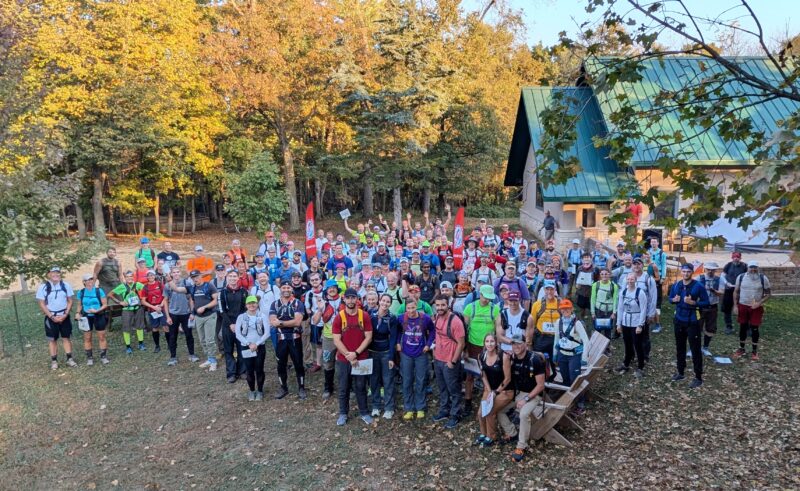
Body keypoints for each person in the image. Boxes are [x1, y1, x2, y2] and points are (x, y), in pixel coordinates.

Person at [497, 334, 547, 463]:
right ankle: (512, 433)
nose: (516, 346)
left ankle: (521, 446)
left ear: (525, 344)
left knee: (523, 414)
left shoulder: (534, 359)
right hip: (518, 393)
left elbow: (541, 385)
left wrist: (526, 399)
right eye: (514, 343)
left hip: (534, 394)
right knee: (499, 410)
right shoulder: (512, 358)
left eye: (519, 343)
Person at [332, 288, 374, 425]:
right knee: (343, 387)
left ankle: (364, 412)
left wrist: (355, 353)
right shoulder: (339, 317)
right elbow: (336, 340)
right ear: (344, 299)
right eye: (348, 298)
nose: (350, 300)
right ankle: (343, 413)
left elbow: (368, 337)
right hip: (343, 359)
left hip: (361, 358)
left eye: (353, 297)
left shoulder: (364, 316)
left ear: (357, 299)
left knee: (361, 386)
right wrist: (348, 355)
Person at [462, 285, 501, 416]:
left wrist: (497, 346)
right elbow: (465, 329)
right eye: (485, 297)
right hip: (473, 346)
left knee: (488, 376)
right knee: (470, 376)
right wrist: (465, 349)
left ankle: (487, 403)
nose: (487, 300)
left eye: (490, 298)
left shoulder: (495, 309)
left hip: (489, 348)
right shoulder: (470, 308)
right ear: (480, 294)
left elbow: (498, 329)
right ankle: (468, 402)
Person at [669, 264, 709, 388]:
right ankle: (680, 372)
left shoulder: (698, 286)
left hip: (692, 321)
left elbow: (706, 302)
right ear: (681, 272)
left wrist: (694, 302)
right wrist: (673, 300)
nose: (686, 274)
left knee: (695, 349)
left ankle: (698, 377)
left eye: (688, 271)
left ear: (692, 272)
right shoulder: (676, 285)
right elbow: (670, 298)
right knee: (680, 347)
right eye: (684, 271)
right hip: (678, 320)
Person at [171, 270, 219, 371]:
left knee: (209, 340)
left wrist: (204, 307)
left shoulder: (209, 286)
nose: (195, 279)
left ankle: (213, 361)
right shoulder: (191, 288)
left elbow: (215, 301)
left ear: (201, 276)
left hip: (210, 315)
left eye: (197, 276)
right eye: (193, 277)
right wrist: (169, 280)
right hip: (198, 317)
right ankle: (209, 358)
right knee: (202, 340)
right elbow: (176, 289)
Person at [397, 298, 435, 421]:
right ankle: (408, 408)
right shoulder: (401, 318)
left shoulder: (425, 318)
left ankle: (420, 407)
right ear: (405, 308)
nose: (411, 311)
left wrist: (428, 344)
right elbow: (397, 331)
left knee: (421, 380)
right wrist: (398, 342)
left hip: (421, 353)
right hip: (406, 353)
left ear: (417, 306)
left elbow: (433, 331)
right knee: (407, 380)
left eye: (413, 308)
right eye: (408, 308)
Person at [431, 295, 465, 429]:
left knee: (454, 389)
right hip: (438, 358)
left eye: (442, 305)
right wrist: (435, 354)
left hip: (450, 361)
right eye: (438, 305)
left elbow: (461, 344)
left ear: (448, 305)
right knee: (442, 387)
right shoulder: (437, 317)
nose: (440, 308)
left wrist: (453, 361)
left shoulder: (455, 321)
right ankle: (444, 410)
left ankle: (455, 414)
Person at [270, 283, 307, 399]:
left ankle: (301, 387)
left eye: (288, 287)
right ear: (280, 289)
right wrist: (288, 323)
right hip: (281, 339)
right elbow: (273, 322)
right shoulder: (275, 304)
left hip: (295, 338)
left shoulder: (298, 303)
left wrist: (281, 323)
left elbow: (297, 322)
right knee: (281, 364)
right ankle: (283, 387)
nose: (286, 289)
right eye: (283, 287)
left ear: (292, 289)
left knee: (298, 363)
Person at [475, 333, 512, 448]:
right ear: (484, 343)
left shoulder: (503, 356)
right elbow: (483, 375)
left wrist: (495, 392)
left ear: (496, 343)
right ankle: (483, 433)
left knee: (489, 411)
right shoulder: (481, 356)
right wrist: (489, 390)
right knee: (480, 413)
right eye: (487, 341)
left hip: (505, 390)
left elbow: (508, 379)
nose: (489, 344)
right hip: (490, 389)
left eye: (492, 341)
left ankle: (491, 436)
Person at [553, 299, 589, 412]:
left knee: (575, 379)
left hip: (574, 355)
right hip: (562, 354)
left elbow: (586, 341)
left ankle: (580, 401)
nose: (565, 310)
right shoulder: (558, 322)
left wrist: (584, 358)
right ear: (560, 310)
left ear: (572, 309)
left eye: (567, 308)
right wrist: (554, 354)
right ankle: (568, 400)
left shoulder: (577, 323)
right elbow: (556, 339)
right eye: (563, 308)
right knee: (565, 378)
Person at [37, 267, 76, 370]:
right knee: (52, 340)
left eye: (57, 272)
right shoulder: (43, 287)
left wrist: (66, 314)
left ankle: (69, 359)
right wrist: (51, 316)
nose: (55, 275)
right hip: (51, 317)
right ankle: (54, 361)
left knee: (66, 338)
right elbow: (41, 303)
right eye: (53, 272)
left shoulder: (66, 285)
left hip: (64, 316)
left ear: (60, 274)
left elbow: (70, 300)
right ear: (48, 274)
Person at [369, 293, 400, 419]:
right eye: (383, 301)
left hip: (386, 352)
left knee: (388, 380)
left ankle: (389, 408)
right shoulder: (371, 315)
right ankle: (376, 406)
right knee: (374, 380)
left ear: (390, 304)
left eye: (388, 302)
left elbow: (393, 338)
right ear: (379, 301)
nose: (385, 303)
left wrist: (392, 357)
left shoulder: (392, 318)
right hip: (372, 351)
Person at [733, 261, 771, 361]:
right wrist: (735, 306)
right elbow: (736, 291)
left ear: (757, 268)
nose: (753, 269)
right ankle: (741, 348)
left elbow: (768, 294)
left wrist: (759, 303)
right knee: (743, 327)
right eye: (751, 267)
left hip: (756, 307)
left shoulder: (763, 278)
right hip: (743, 305)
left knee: (754, 328)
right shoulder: (741, 277)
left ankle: (754, 351)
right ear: (747, 268)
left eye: (755, 267)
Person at [236, 296, 270, 401]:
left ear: (257, 304)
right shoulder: (241, 317)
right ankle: (251, 390)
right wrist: (248, 343)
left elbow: (267, 333)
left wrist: (257, 344)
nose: (252, 305)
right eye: (249, 303)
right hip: (246, 347)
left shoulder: (262, 316)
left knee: (259, 369)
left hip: (259, 346)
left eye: (254, 303)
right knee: (249, 370)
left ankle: (260, 390)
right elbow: (238, 334)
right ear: (246, 305)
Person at [615, 274, 649, 378]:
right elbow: (620, 308)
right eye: (628, 279)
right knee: (627, 344)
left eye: (632, 279)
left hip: (636, 322)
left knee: (637, 345)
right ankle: (626, 363)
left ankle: (640, 367)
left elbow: (643, 310)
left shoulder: (640, 292)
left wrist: (640, 325)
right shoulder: (623, 292)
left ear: (635, 280)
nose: (630, 281)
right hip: (626, 322)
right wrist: (618, 323)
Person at [314, 279, 343, 399]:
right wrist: (320, 309)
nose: (332, 290)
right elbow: (315, 321)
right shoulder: (323, 303)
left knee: (345, 362)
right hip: (328, 337)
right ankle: (328, 387)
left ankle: (348, 386)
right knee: (328, 362)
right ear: (326, 291)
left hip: (343, 337)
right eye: (330, 288)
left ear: (337, 289)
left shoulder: (344, 301)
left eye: (334, 288)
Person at [219, 270, 248, 383]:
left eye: (234, 276)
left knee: (242, 348)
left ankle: (242, 371)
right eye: (230, 276)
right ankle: (231, 373)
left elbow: (245, 309)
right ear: (227, 278)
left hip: (240, 325)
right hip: (227, 325)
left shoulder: (244, 292)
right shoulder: (222, 293)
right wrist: (230, 324)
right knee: (228, 349)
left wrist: (238, 324)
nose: (232, 278)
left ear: (238, 278)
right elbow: (222, 310)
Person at [74, 274, 109, 366]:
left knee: (102, 337)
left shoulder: (99, 291)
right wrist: (77, 313)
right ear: (84, 282)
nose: (90, 281)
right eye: (87, 280)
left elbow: (105, 304)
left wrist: (97, 310)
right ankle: (90, 358)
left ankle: (103, 357)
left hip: (99, 315)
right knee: (87, 338)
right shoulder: (81, 292)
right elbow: (79, 305)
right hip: (86, 317)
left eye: (91, 279)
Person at [164, 269, 198, 366]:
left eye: (178, 272)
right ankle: (173, 357)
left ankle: (192, 354)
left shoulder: (186, 283)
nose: (176, 274)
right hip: (173, 314)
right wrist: (167, 316)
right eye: (174, 272)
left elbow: (190, 299)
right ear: (171, 274)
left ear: (180, 273)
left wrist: (192, 312)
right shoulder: (167, 285)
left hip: (186, 313)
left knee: (189, 335)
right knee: (172, 336)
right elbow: (165, 301)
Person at [109, 271, 146, 354]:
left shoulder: (137, 284)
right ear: (125, 278)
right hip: (127, 310)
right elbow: (110, 294)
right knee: (126, 328)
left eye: (131, 276)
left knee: (139, 327)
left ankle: (141, 343)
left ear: (133, 277)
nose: (129, 278)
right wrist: (120, 302)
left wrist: (142, 299)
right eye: (127, 276)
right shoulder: (122, 286)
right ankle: (128, 347)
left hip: (137, 308)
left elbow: (146, 290)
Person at [529, 280, 559, 379]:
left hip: (556, 338)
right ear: (544, 290)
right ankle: (538, 380)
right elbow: (532, 324)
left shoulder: (560, 304)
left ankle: (553, 379)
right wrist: (529, 341)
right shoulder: (537, 305)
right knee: (538, 360)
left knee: (555, 361)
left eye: (551, 289)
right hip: (541, 338)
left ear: (555, 290)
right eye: (547, 289)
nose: (549, 292)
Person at [697, 262, 724, 357]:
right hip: (700, 307)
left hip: (712, 307)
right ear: (705, 269)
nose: (710, 271)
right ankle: (694, 348)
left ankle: (705, 348)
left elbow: (721, 293)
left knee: (710, 328)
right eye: (708, 269)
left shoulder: (719, 279)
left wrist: (714, 291)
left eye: (712, 270)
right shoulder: (699, 278)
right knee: (696, 327)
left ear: (715, 270)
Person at [139, 270, 168, 353]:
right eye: (149, 275)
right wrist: (154, 307)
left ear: (155, 276)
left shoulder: (160, 284)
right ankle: (157, 346)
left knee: (166, 327)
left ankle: (170, 345)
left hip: (162, 308)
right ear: (147, 277)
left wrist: (161, 305)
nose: (150, 277)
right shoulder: (145, 287)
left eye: (152, 275)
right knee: (155, 328)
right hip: (152, 309)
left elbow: (165, 296)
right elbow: (143, 301)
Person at [721, 252, 747, 335]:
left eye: (738, 257)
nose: (736, 258)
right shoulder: (728, 265)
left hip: (741, 290)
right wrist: (726, 283)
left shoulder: (744, 266)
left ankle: (746, 327)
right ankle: (728, 326)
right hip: (729, 289)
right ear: (732, 258)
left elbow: (748, 276)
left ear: (740, 258)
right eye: (734, 257)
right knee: (727, 308)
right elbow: (722, 276)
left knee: (744, 308)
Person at [590, 270, 619, 341]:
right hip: (598, 310)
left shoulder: (614, 286)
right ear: (600, 275)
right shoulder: (595, 285)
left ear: (609, 275)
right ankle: (596, 345)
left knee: (608, 330)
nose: (604, 276)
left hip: (609, 311)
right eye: (602, 274)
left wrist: (614, 312)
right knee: (597, 329)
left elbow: (615, 300)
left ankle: (607, 345)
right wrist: (593, 312)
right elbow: (593, 299)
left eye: (606, 274)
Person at [648, 237, 667, 332]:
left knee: (657, 299)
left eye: (655, 242)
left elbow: (664, 265)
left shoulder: (662, 253)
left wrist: (663, 277)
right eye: (652, 242)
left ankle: (657, 323)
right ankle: (649, 320)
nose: (653, 243)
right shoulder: (647, 252)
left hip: (657, 277)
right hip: (649, 276)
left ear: (658, 243)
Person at [573, 252, 599, 322]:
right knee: (581, 304)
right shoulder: (579, 268)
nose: (586, 259)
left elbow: (597, 279)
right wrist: (576, 285)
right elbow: (576, 277)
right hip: (581, 290)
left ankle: (591, 317)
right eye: (584, 257)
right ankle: (582, 316)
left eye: (588, 257)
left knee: (590, 304)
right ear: (582, 259)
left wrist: (596, 287)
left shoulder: (595, 268)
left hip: (591, 290)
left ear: (591, 259)